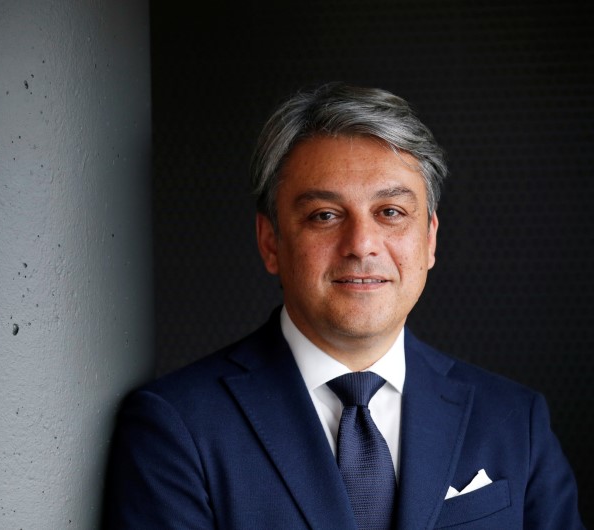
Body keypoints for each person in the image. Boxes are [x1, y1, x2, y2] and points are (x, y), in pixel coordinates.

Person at [103, 82, 584, 529]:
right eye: (325, 215)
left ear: (430, 239)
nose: (362, 244)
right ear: (270, 242)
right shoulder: (177, 425)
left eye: (391, 212)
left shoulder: (513, 420)